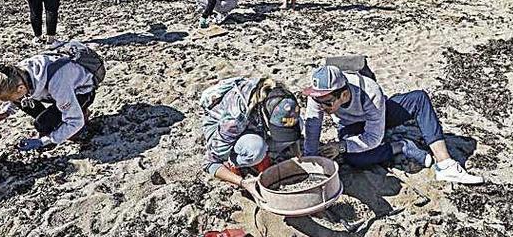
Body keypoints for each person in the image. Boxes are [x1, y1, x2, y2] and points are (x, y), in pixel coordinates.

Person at [302, 65, 483, 184]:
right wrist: (311, 160)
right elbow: (312, 128)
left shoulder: (370, 91)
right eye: (318, 101)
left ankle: (446, 165)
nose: (321, 107)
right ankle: (401, 146)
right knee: (354, 158)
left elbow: (373, 137)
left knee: (419, 99)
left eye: (327, 103)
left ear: (342, 95)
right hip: (350, 125)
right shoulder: (319, 97)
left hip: (380, 114)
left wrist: (341, 146)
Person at [0, 45, 99, 151]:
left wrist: (44, 141)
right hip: (57, 90)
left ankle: (81, 116)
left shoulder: (57, 83)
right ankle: (57, 120)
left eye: (11, 99)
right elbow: (15, 95)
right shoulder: (17, 73)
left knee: (43, 124)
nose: (12, 101)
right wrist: (6, 111)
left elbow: (75, 121)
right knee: (23, 102)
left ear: (20, 88)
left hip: (83, 90)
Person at [201, 77, 301, 190]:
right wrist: (242, 183)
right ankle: (232, 161)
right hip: (222, 129)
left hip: (254, 124)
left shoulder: (281, 96)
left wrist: (298, 153)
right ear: (264, 114)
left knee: (299, 124)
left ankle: (263, 155)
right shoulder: (234, 120)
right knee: (256, 149)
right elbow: (209, 163)